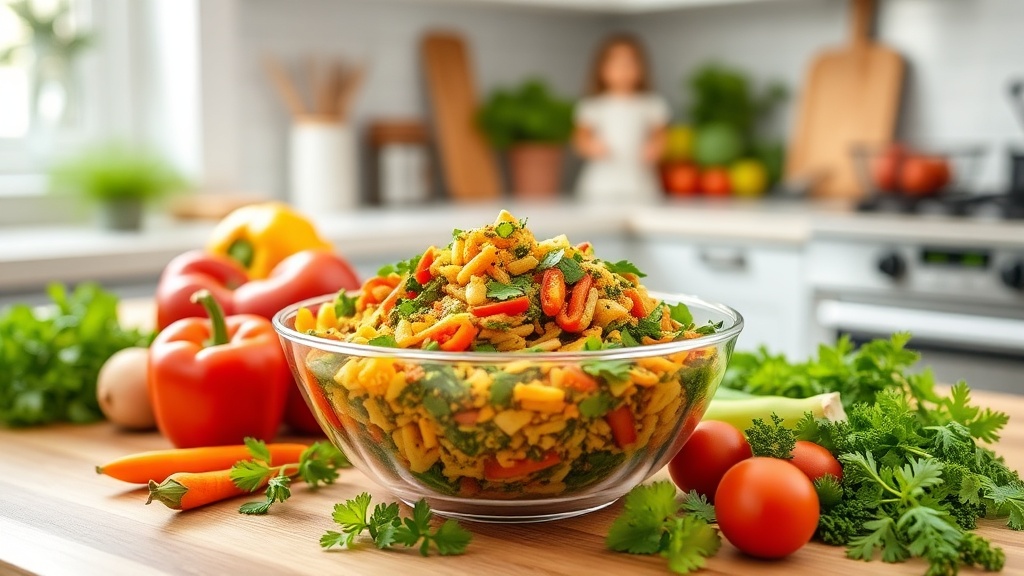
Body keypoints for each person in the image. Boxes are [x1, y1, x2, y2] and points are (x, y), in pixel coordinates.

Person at [574, 34, 668, 203]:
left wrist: (655, 147)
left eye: (630, 64)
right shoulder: (594, 105)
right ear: (601, 69)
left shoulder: (651, 104)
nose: (623, 70)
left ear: (642, 68)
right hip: (601, 184)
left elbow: (660, 135)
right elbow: (580, 138)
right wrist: (591, 147)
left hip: (640, 181)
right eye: (617, 64)